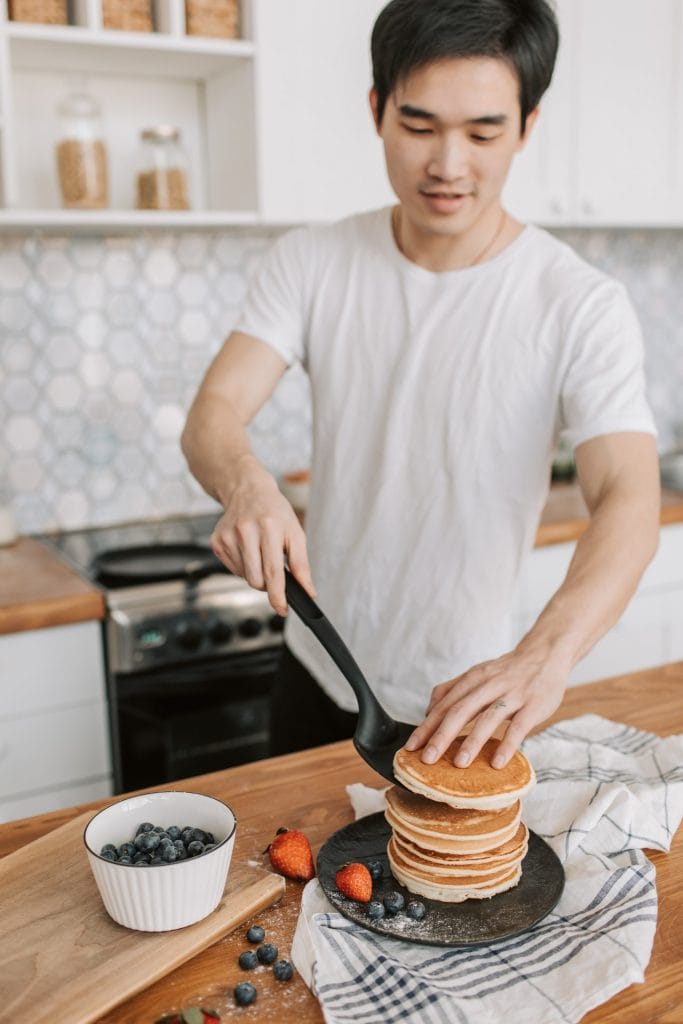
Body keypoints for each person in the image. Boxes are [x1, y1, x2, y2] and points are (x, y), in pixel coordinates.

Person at [181, 0, 660, 770]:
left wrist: (546, 654)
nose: (446, 164)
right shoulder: (312, 262)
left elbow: (629, 497)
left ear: (526, 127)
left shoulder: (576, 304)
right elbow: (214, 411)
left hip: (467, 697)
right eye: (418, 125)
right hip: (315, 666)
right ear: (376, 111)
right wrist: (245, 485)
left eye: (482, 132)